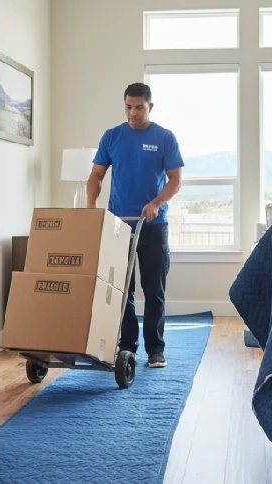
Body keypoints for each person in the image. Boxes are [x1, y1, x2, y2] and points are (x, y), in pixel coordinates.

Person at [87, 82, 184, 368]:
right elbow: (96, 175)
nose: (133, 113)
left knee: (154, 288)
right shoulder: (112, 137)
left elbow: (175, 181)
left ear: (150, 107)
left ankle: (155, 348)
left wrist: (156, 203)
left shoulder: (164, 138)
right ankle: (126, 346)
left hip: (153, 226)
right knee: (121, 289)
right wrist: (92, 207)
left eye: (139, 107)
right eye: (128, 107)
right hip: (118, 225)